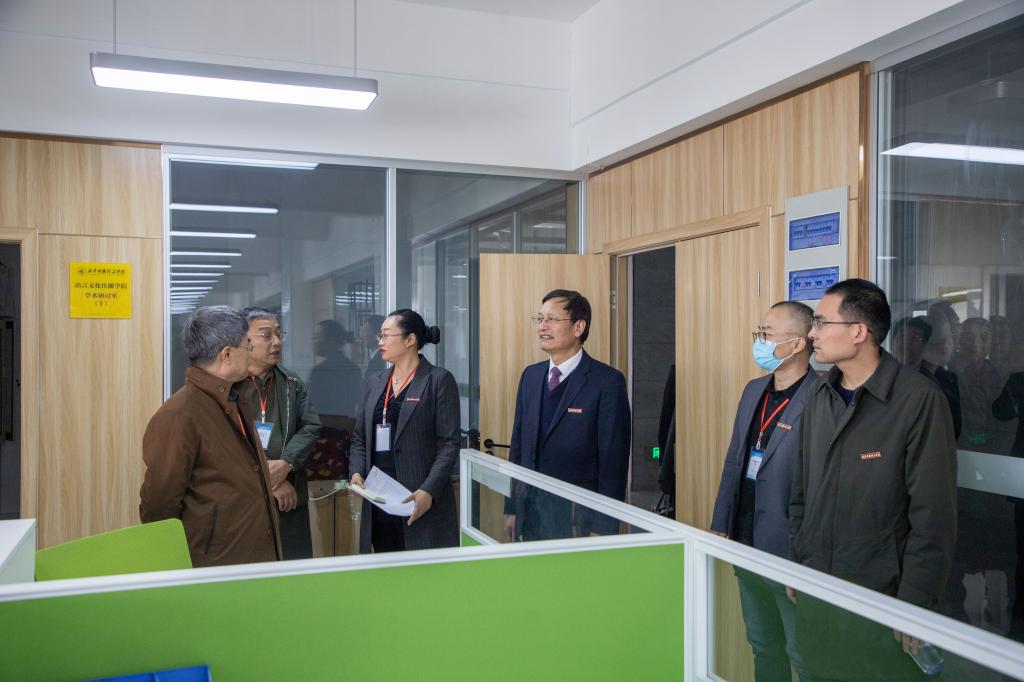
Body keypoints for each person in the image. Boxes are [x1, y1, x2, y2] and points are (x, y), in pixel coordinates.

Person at [789, 279, 957, 678]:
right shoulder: (820, 395)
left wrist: (914, 603)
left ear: (858, 332)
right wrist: (797, 563)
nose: (812, 333)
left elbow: (933, 517)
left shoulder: (918, 400)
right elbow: (800, 492)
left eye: (821, 322)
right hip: (818, 588)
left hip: (882, 601)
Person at [711, 301, 814, 682]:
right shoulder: (754, 389)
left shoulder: (820, 396)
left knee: (802, 653)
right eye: (760, 333)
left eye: (767, 334)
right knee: (762, 642)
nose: (760, 342)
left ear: (798, 344)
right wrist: (721, 522)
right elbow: (735, 459)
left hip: (788, 548)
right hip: (745, 538)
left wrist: (805, 558)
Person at [140, 306, 282, 567]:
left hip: (251, 561)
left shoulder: (234, 399)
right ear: (227, 354)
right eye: (247, 346)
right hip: (214, 566)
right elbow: (159, 507)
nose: (251, 353)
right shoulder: (179, 415)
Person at [503, 289, 630, 541]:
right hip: (531, 514)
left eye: (552, 319)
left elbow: (613, 464)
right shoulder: (531, 376)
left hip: (578, 521)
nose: (542, 326)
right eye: (540, 319)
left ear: (578, 327)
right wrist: (512, 508)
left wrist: (604, 527)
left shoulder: (607, 382)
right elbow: (518, 448)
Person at [348, 309, 460, 552]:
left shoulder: (438, 380)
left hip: (420, 500)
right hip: (379, 501)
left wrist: (428, 490)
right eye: (380, 335)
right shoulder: (376, 381)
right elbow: (359, 438)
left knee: (424, 572)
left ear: (410, 339)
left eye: (386, 335)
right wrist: (356, 472)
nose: (380, 342)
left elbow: (449, 444)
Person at [237, 307, 322, 560]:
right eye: (266, 335)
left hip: (289, 498)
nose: (276, 342)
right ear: (245, 340)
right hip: (245, 498)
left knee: (293, 567)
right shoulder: (231, 384)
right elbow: (226, 440)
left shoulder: (290, 382)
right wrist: (270, 478)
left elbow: (311, 426)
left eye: (278, 334)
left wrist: (286, 464)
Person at [892, 315, 963, 438]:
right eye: (902, 336)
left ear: (925, 345)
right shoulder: (881, 374)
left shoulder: (941, 379)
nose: (906, 342)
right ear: (893, 340)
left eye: (915, 338)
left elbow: (952, 426)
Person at [308, 319, 362, 419]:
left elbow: (313, 408)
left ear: (331, 341)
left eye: (317, 337)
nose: (313, 341)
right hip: (348, 425)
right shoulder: (354, 369)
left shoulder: (320, 372)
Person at [360, 314, 387, 382]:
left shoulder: (381, 359)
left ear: (377, 334)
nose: (363, 335)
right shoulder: (372, 356)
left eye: (366, 331)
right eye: (363, 331)